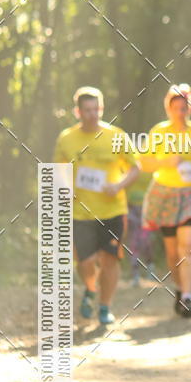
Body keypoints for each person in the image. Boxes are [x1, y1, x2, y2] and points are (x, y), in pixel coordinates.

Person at [53, 86, 140, 325]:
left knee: (110, 260)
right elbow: (59, 171)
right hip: (80, 212)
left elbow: (135, 168)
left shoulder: (116, 136)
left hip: (112, 210)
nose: (92, 114)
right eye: (87, 110)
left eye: (96, 109)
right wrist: (64, 188)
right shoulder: (66, 138)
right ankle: (91, 289)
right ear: (78, 111)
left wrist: (119, 185)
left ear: (101, 109)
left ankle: (105, 306)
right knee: (85, 262)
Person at [139, 84, 191, 318]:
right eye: (176, 108)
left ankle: (189, 297)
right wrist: (165, 162)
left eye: (185, 108)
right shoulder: (159, 132)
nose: (181, 112)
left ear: (190, 108)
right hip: (166, 194)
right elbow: (144, 163)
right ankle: (180, 289)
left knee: (187, 245)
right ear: (168, 108)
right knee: (172, 252)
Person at [125, 146, 155, 285]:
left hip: (147, 209)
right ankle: (135, 273)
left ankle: (149, 268)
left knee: (146, 241)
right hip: (131, 208)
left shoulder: (151, 168)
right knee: (134, 241)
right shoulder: (129, 166)